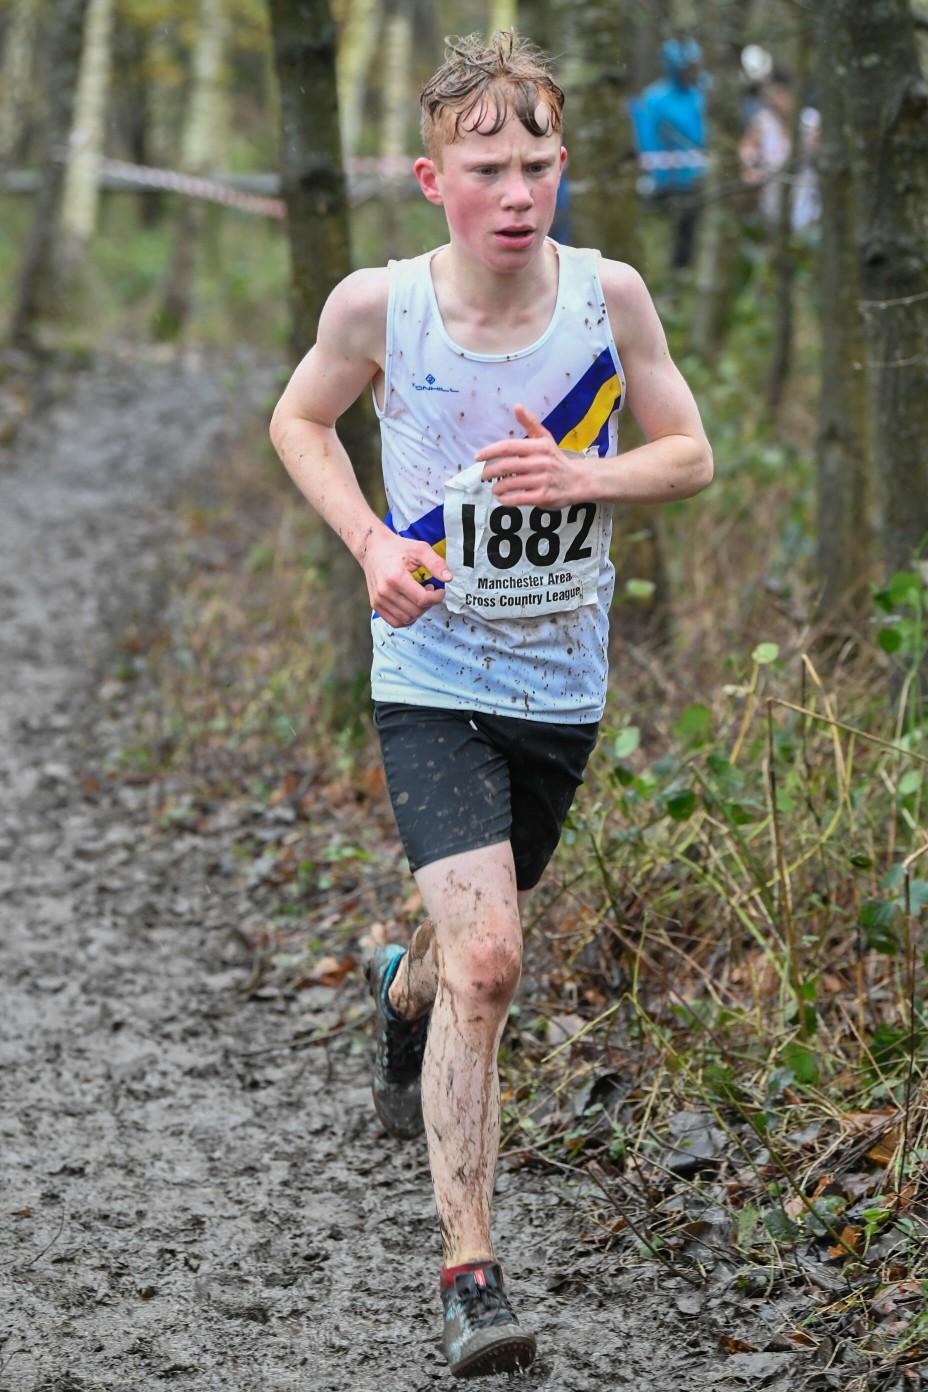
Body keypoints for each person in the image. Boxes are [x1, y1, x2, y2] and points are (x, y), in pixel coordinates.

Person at [269, 30, 713, 1379]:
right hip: (431, 679)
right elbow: (298, 420)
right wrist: (370, 544)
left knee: (461, 950)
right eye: (486, 170)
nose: (517, 194)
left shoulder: (609, 297)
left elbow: (689, 453)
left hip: (559, 686)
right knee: (496, 961)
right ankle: (471, 1275)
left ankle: (399, 988)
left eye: (537, 165)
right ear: (432, 180)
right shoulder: (380, 308)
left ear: (562, 166)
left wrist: (588, 479)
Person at [629, 38, 708, 271]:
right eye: (686, 68)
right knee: (659, 238)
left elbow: (702, 137)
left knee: (688, 239)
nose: (690, 73)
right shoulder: (654, 98)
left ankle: (682, 274)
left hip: (693, 182)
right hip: (662, 184)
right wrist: (656, 176)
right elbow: (647, 140)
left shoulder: (698, 95)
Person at [739, 66, 820, 234]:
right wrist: (751, 167)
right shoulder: (763, 122)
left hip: (808, 202)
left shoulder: (811, 121)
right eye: (772, 94)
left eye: (780, 93)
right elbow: (746, 149)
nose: (776, 100)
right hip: (772, 203)